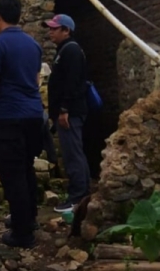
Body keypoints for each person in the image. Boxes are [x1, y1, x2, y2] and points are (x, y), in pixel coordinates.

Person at [0, 0, 43, 249]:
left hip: (11, 117)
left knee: (12, 174)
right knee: (26, 168)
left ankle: (22, 234)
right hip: (34, 115)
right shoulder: (34, 45)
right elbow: (36, 80)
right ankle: (28, 218)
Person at [43, 14, 91, 213]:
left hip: (69, 113)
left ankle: (77, 197)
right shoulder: (64, 50)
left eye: (55, 28)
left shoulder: (70, 51)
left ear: (66, 30)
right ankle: (83, 194)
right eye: (50, 28)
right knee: (74, 152)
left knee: (73, 154)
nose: (50, 32)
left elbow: (71, 84)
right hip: (67, 111)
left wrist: (64, 110)